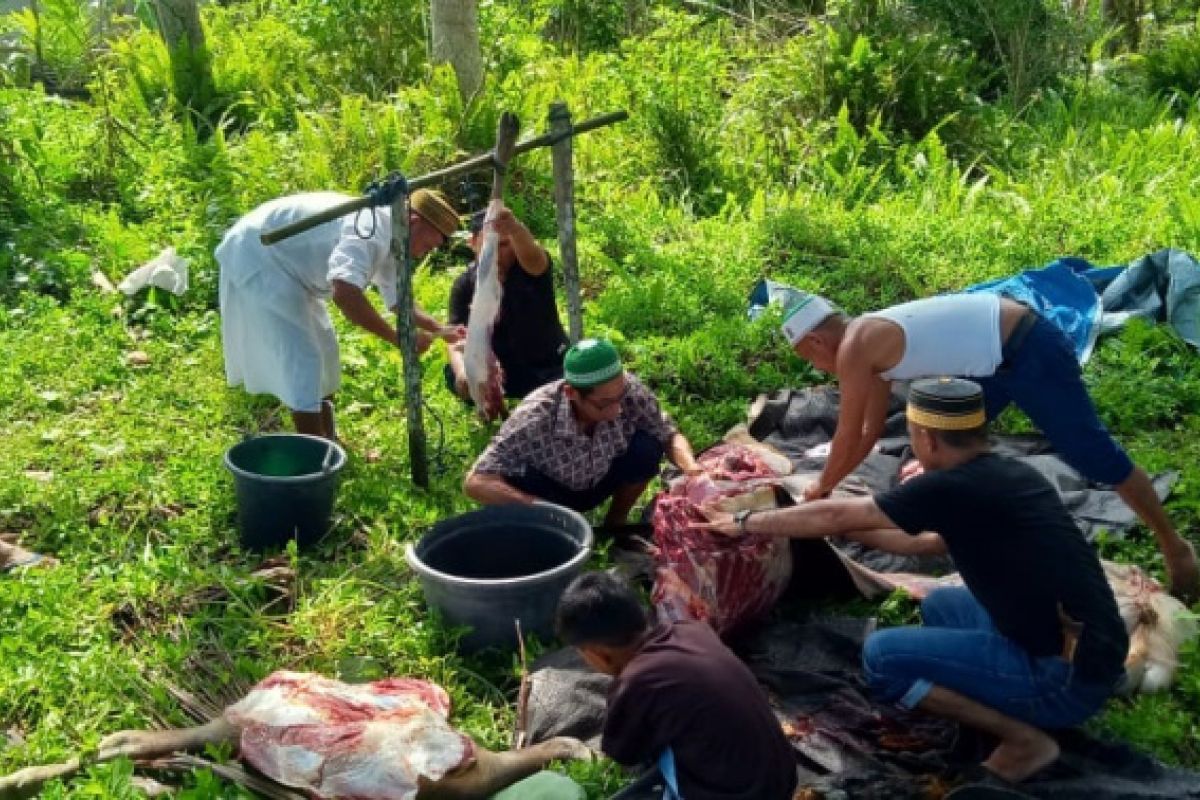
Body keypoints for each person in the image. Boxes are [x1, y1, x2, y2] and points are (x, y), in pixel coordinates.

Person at [698, 378, 1129, 784]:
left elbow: (838, 513)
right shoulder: (1007, 475)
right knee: (940, 606)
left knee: (882, 657)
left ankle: (1024, 740)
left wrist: (744, 521)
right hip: (1094, 649)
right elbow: (926, 544)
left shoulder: (950, 486)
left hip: (1065, 678)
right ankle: (1000, 682)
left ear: (927, 438)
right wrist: (839, 530)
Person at [779, 289, 1200, 602]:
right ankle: (944, 523)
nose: (815, 367)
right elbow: (870, 431)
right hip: (995, 360)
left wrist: (822, 490)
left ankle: (1175, 548)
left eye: (807, 358)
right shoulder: (865, 340)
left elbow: (849, 434)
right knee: (941, 440)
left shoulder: (856, 346)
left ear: (816, 342)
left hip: (1029, 349)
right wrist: (831, 484)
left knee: (1093, 454)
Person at [217, 189, 465, 441]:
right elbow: (345, 293)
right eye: (427, 244)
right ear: (414, 222)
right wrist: (396, 338)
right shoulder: (368, 230)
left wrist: (440, 329)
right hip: (261, 254)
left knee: (326, 352)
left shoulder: (395, 232)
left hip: (291, 267)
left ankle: (330, 440)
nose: (424, 252)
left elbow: (399, 300)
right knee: (303, 358)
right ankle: (315, 453)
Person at [555, 571, 798, 800]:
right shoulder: (691, 630)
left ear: (599, 654)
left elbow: (624, 755)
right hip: (783, 778)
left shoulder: (636, 682)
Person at [463, 338, 701, 527]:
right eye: (604, 403)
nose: (616, 410)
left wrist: (692, 469)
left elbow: (668, 434)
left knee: (647, 448)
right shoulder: (535, 416)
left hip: (600, 479)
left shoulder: (627, 391)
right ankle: (547, 531)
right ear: (571, 393)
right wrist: (540, 508)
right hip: (551, 492)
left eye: (620, 398)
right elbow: (476, 482)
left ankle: (615, 524)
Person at [445, 205, 569, 402]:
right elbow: (455, 336)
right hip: (501, 371)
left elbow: (535, 258)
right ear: (473, 243)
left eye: (503, 245)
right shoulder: (464, 284)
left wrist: (514, 228)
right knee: (455, 373)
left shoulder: (529, 269)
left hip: (547, 367)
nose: (496, 254)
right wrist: (462, 372)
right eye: (488, 246)